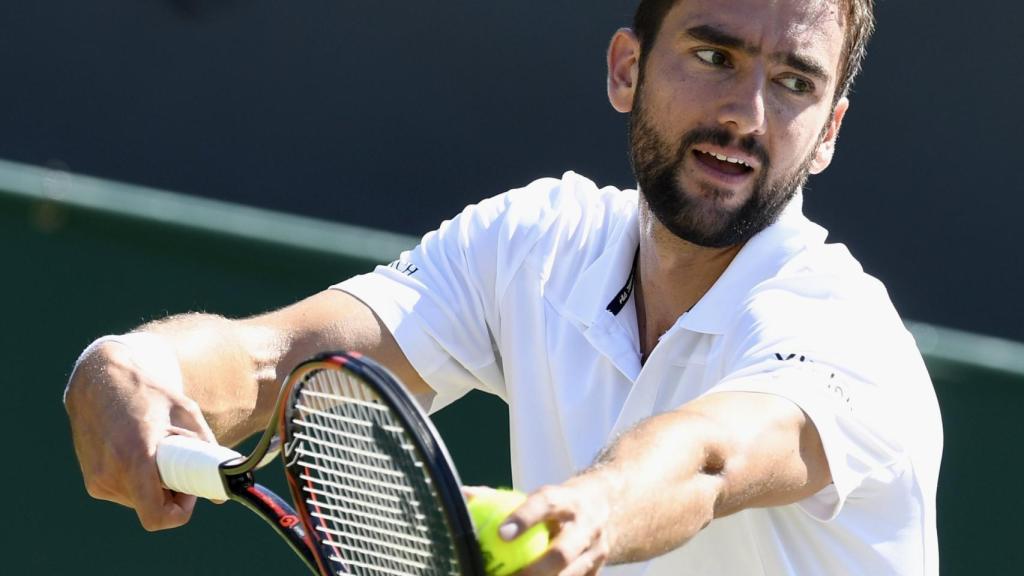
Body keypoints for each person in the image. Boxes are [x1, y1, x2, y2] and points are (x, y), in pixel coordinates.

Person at [64, 0, 943, 574]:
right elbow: (280, 360)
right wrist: (134, 366)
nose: (747, 116)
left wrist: (586, 510)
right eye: (714, 55)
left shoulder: (848, 333)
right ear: (627, 69)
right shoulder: (536, 241)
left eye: (792, 82)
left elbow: (709, 459)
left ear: (827, 133)